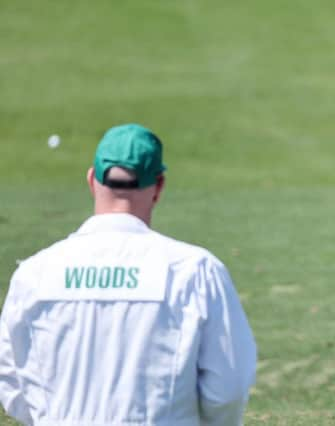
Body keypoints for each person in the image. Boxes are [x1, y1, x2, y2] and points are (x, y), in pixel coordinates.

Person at [0, 124, 257, 425]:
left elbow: (10, 382)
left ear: (92, 180)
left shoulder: (34, 274)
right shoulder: (196, 271)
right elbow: (228, 389)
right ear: (158, 186)